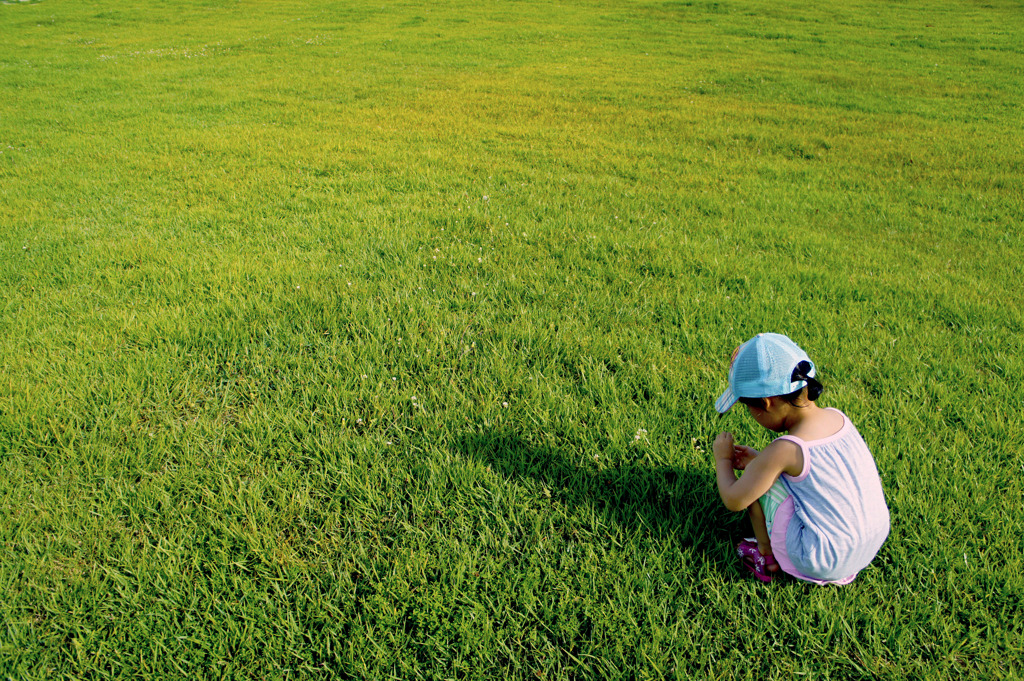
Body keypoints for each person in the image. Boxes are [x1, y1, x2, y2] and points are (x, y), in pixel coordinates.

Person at [712, 333, 890, 584]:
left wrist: (723, 460)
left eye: (748, 407)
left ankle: (766, 557)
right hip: (870, 541)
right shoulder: (837, 418)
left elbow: (734, 498)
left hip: (819, 557)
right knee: (763, 475)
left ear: (766, 402)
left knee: (756, 487)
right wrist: (760, 462)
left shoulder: (785, 449)